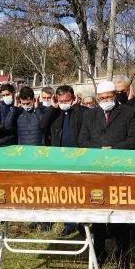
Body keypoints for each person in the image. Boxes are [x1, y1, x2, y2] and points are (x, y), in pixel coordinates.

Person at [79, 80, 135, 269]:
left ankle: (123, 255)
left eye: (109, 97)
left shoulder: (128, 113)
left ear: (115, 95)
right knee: (98, 214)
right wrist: (99, 149)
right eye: (102, 98)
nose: (106, 101)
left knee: (120, 216)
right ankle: (99, 252)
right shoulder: (90, 115)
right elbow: (82, 140)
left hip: (119, 169)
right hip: (96, 170)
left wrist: (114, 149)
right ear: (98, 98)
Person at [41, 85, 85, 236]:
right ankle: (69, 224)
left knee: (80, 191)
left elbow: (83, 122)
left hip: (78, 157)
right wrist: (53, 108)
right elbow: (42, 125)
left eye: (67, 100)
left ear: (73, 99)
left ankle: (82, 223)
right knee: (65, 192)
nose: (64, 103)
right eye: (61, 101)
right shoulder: (55, 112)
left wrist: (76, 107)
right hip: (60, 158)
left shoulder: (80, 111)